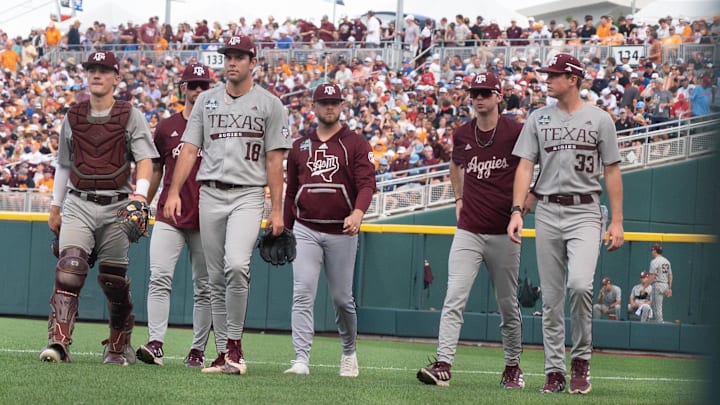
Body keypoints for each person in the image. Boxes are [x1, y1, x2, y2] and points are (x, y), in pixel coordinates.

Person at [163, 35, 291, 375]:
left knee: (236, 265)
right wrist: (174, 191)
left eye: (238, 56)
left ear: (253, 62)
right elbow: (189, 150)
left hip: (248, 193)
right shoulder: (206, 100)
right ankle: (223, 353)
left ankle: (234, 343)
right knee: (214, 276)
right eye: (227, 56)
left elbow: (275, 161)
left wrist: (277, 209)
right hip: (211, 193)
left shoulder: (270, 104)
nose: (231, 62)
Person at [507, 53, 625, 395]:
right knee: (552, 299)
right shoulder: (538, 118)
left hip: (586, 210)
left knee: (579, 286)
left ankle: (581, 360)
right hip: (546, 210)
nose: (548, 79)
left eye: (555, 75)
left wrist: (616, 221)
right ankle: (555, 371)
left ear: (573, 79)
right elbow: (525, 167)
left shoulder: (600, 119)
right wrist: (517, 210)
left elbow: (613, 170)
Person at [40, 50, 159, 365]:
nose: (97, 74)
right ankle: (59, 343)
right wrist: (55, 205)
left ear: (116, 78)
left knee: (113, 281)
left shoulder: (130, 114)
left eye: (104, 70)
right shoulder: (73, 115)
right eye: (92, 69)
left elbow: (146, 158)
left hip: (118, 203)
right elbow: (64, 164)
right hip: (79, 200)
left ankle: (119, 344)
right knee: (70, 268)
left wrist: (141, 195)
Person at [417, 72, 525, 388]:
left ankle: (512, 365)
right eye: (474, 92)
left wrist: (521, 208)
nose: (478, 97)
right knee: (454, 297)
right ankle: (443, 364)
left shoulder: (515, 132)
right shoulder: (463, 133)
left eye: (485, 92)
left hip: (504, 232)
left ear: (498, 95)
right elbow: (455, 165)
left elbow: (532, 171)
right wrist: (459, 196)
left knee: (507, 304)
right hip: (470, 229)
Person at [282, 83, 376, 377]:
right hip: (306, 228)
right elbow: (291, 192)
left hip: (342, 231)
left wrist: (359, 212)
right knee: (302, 291)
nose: (330, 107)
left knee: (341, 299)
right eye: (324, 102)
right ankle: (301, 358)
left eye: (334, 102)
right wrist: (285, 228)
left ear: (341, 105)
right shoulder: (300, 146)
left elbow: (367, 185)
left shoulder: (356, 144)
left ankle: (349, 352)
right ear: (314, 106)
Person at [136, 63, 219, 368]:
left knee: (205, 287)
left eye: (203, 85)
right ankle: (155, 343)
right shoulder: (167, 127)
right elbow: (156, 168)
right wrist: (143, 202)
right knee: (159, 278)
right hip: (170, 215)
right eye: (192, 85)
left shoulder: (220, 127)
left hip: (206, 216)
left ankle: (197, 350)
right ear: (183, 88)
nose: (197, 90)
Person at [647, 243, 672, 323]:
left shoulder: (654, 261)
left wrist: (644, 287)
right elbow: (670, 275)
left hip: (657, 284)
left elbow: (652, 277)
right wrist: (669, 288)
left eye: (652, 250)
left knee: (657, 308)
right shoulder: (667, 261)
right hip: (665, 284)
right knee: (657, 307)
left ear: (655, 251)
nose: (652, 252)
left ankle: (660, 325)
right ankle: (658, 322)